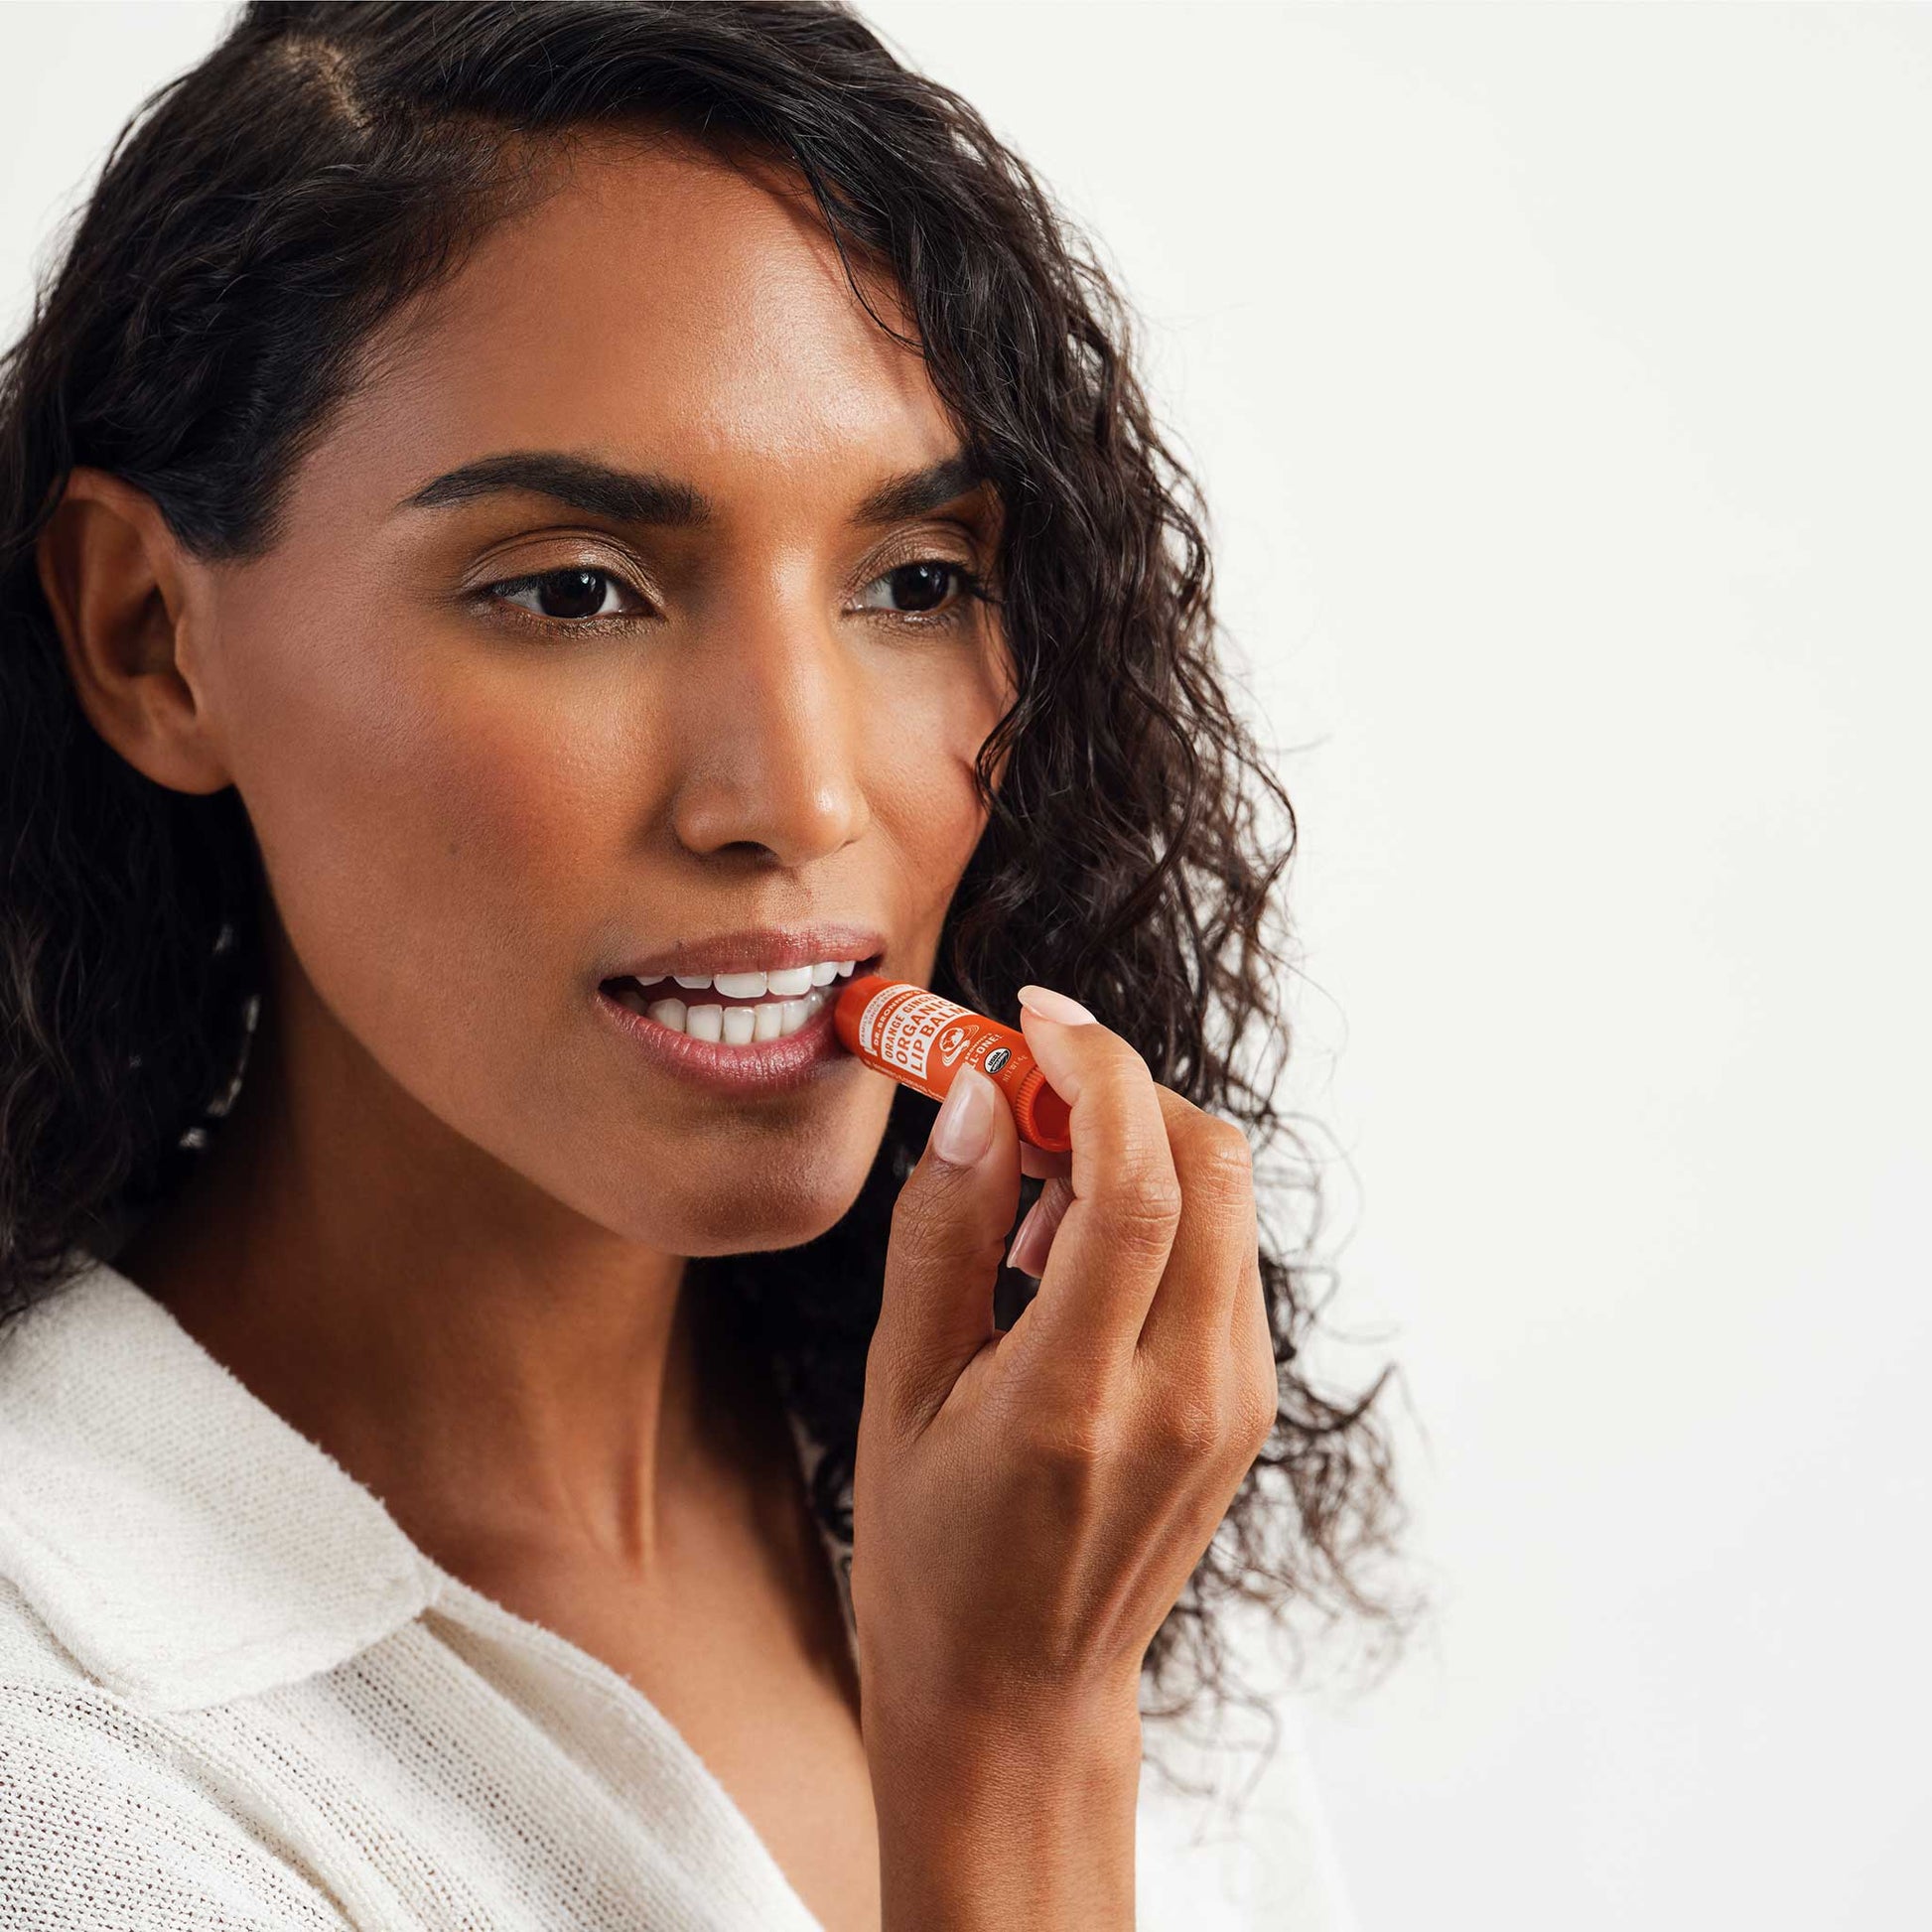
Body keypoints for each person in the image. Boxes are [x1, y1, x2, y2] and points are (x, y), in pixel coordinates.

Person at [0, 4, 1404, 1926]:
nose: (802, 794)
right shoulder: (57, 1755)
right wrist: (1013, 1740)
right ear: (152, 636)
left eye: (912, 582)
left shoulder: (1041, 1482)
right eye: (575, 589)